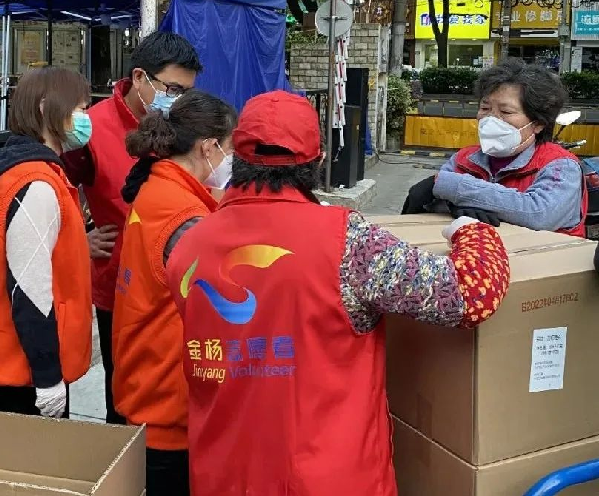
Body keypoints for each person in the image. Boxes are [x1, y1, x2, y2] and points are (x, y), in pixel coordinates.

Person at [164, 90, 511, 496]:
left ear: (234, 158)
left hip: (223, 476)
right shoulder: (350, 243)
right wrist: (473, 232)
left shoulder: (187, 244)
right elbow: (470, 295)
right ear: (319, 161)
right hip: (327, 478)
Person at [62, 31, 202, 424]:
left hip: (180, 285)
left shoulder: (183, 124)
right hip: (119, 284)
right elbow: (54, 189)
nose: (179, 100)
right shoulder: (91, 129)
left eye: (186, 92)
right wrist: (78, 238)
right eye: (173, 89)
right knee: (122, 392)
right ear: (139, 77)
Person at [113, 90, 237, 496]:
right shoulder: (186, 218)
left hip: (144, 381)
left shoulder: (158, 189)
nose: (230, 161)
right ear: (208, 147)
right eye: (229, 149)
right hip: (169, 403)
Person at [0, 67, 93, 418]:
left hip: (12, 360)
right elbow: (30, 289)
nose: (86, 119)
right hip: (23, 371)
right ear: (45, 107)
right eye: (80, 109)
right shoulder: (36, 184)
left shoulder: (20, 171)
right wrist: (48, 377)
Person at [428, 59, 586, 235]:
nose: (491, 119)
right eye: (485, 108)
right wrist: (452, 207)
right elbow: (434, 205)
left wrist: (459, 189)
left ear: (538, 123)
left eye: (506, 112)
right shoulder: (463, 159)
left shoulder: (561, 165)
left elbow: (539, 213)